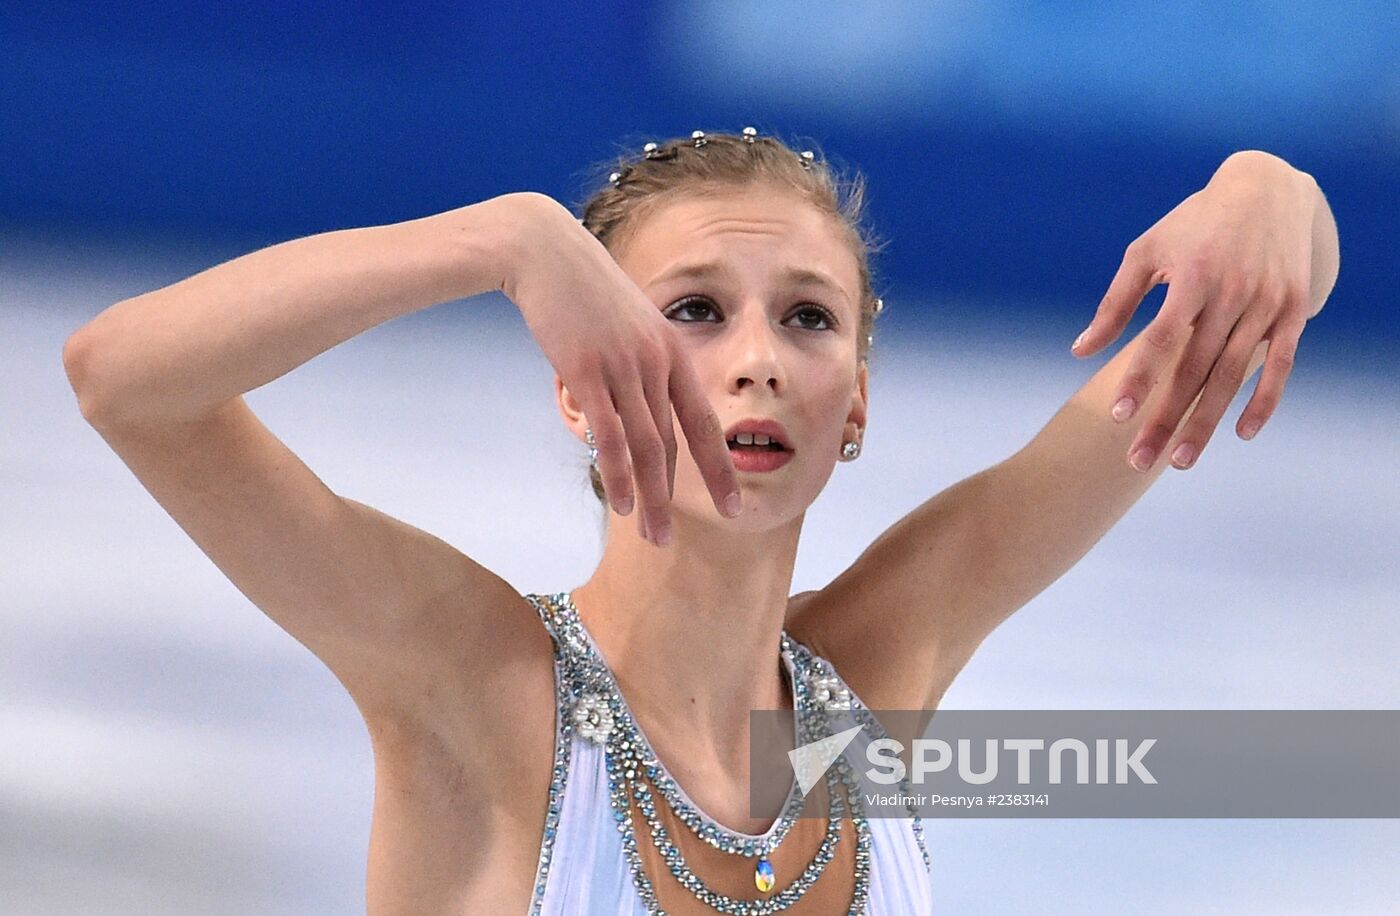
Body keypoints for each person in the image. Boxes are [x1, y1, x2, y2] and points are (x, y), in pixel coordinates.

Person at [60, 127, 1339, 914]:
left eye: (806, 317)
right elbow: (125, 380)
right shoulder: (473, 680)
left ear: (852, 407)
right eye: (690, 310)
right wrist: (493, 243)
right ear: (578, 378)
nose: (756, 361)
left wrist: (1273, 184)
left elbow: (1219, 319)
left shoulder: (875, 680)